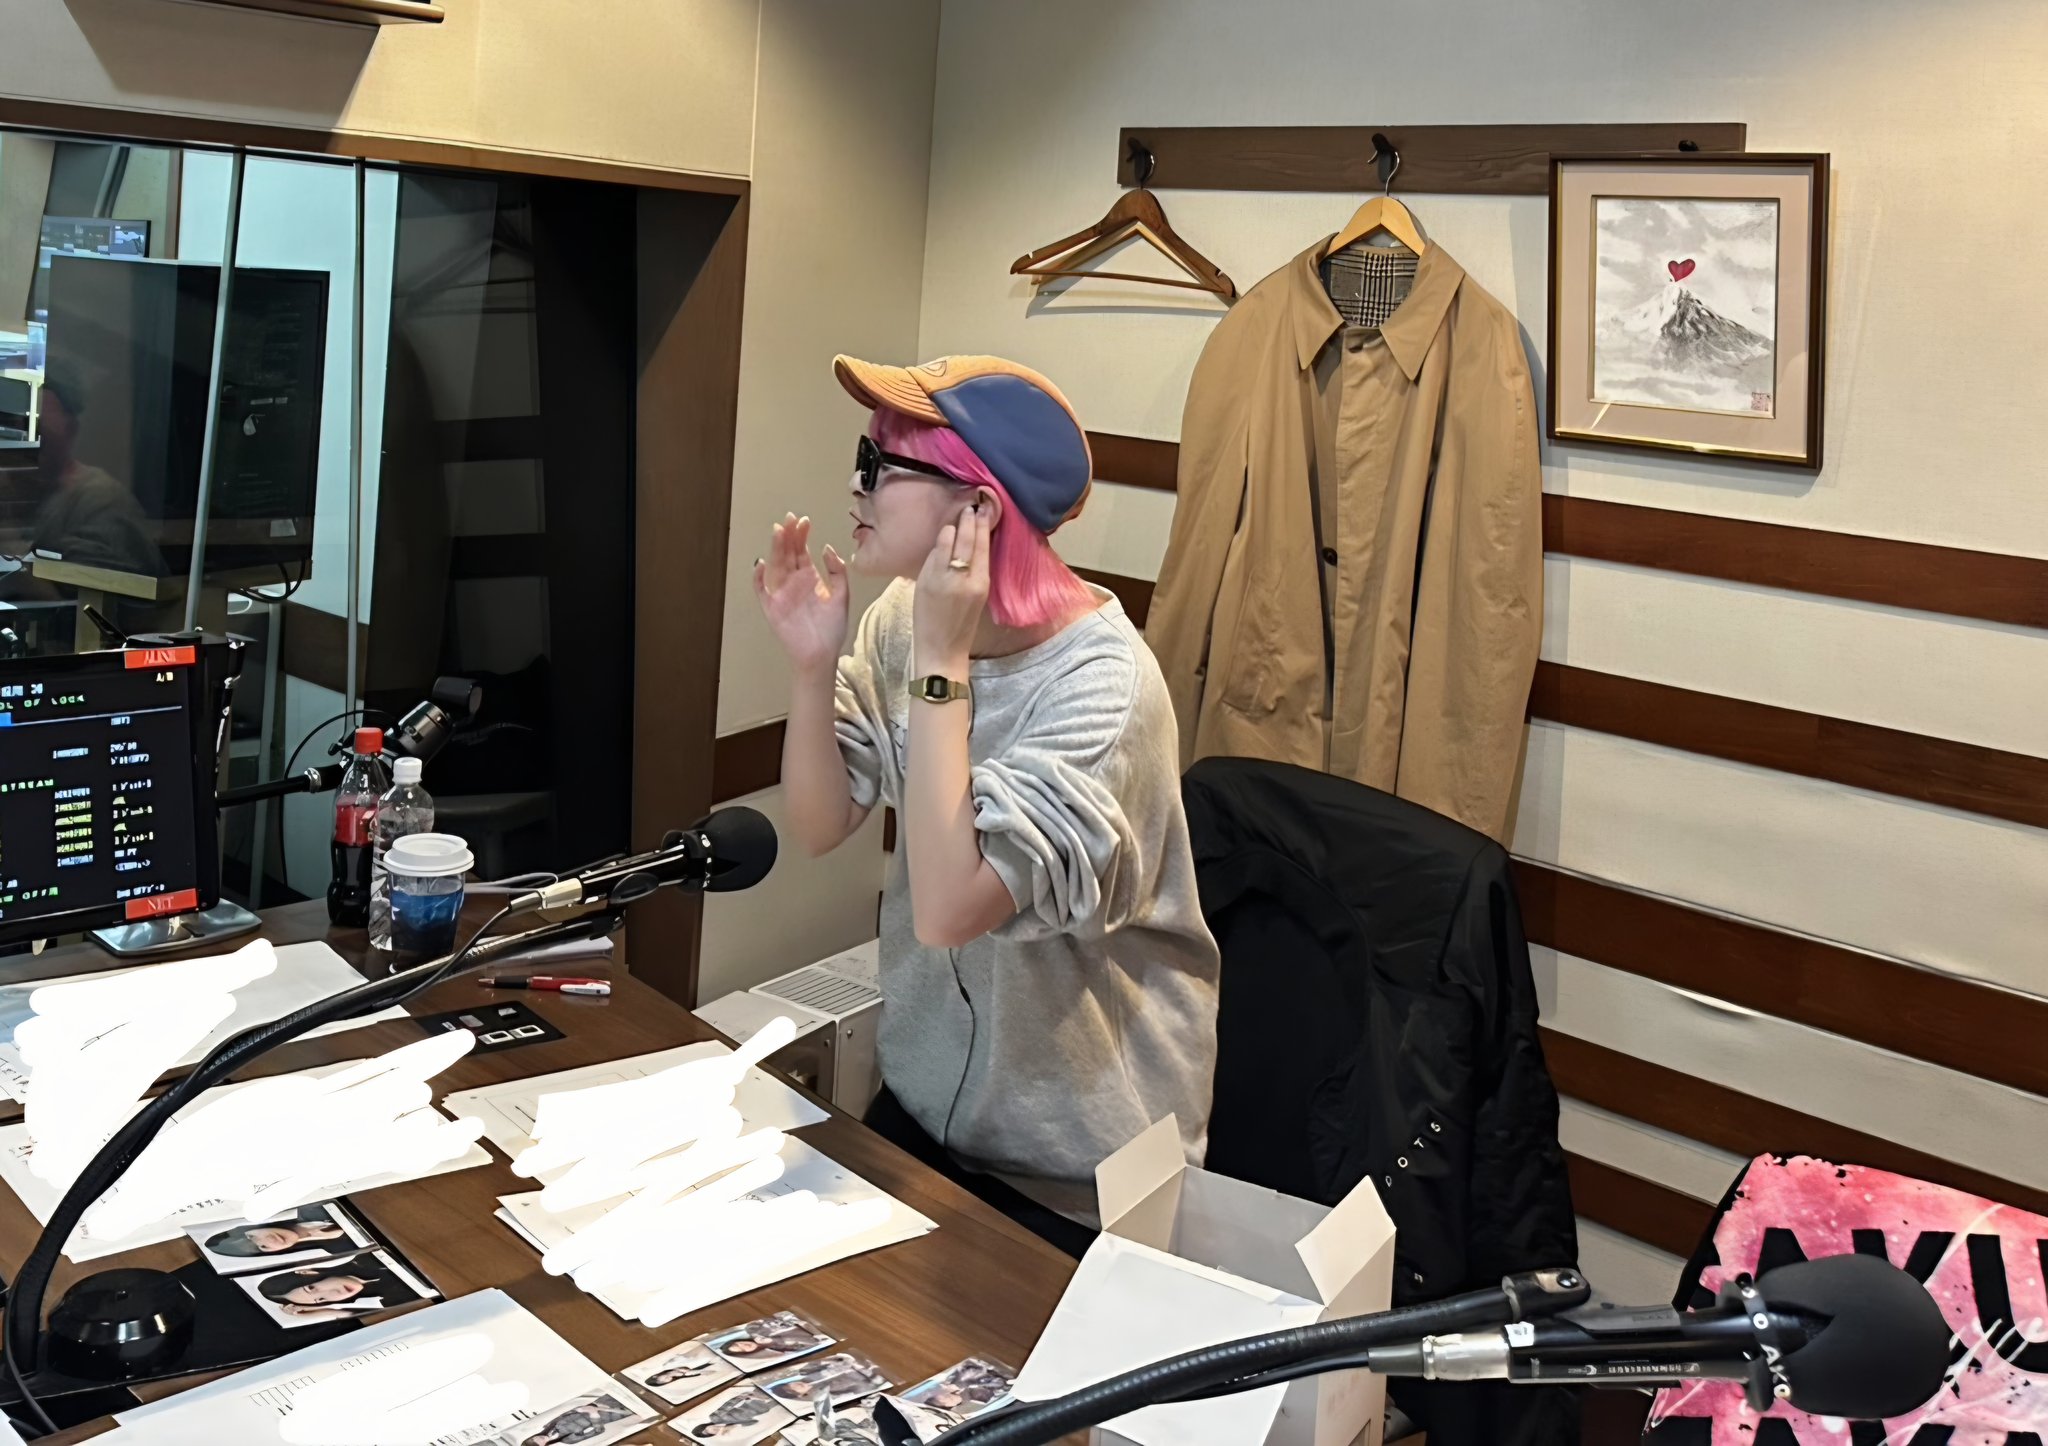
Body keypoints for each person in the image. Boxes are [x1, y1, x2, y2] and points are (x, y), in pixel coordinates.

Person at [755, 355, 1219, 1255]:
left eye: (880, 464)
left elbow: (949, 911)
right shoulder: (903, 619)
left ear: (978, 508)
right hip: (925, 1112)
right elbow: (818, 825)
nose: (856, 485)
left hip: (1077, 1175)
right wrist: (814, 667)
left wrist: (942, 664)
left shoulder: (1105, 690)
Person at [23, 369, 162, 579]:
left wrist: (19, 573)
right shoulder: (27, 491)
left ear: (70, 429)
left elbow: (93, 590)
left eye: (39, 433)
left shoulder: (101, 498)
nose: (25, 447)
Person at [255, 1251, 413, 1318]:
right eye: (321, 1299)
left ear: (307, 1273)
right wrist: (321, 1311)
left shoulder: (366, 1256)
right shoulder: (394, 1297)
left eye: (312, 1288)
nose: (335, 1294)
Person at [205, 1204, 353, 1260]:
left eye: (250, 1236)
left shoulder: (309, 1207)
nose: (268, 1240)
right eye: (261, 1247)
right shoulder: (336, 1251)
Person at [519, 1394, 636, 1446]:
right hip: (612, 1413)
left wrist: (583, 1408)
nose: (537, 1439)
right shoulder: (568, 1440)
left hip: (603, 1401)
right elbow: (598, 1430)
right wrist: (593, 1412)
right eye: (537, 1444)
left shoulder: (549, 1425)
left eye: (533, 1438)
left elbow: (569, 1412)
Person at [688, 1390, 781, 1440]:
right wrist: (733, 1426)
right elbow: (754, 1421)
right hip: (765, 1408)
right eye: (709, 1433)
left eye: (706, 1430)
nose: (712, 1431)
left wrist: (745, 1396)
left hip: (754, 1399)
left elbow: (728, 1405)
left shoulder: (715, 1418)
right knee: (784, 1396)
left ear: (705, 1426)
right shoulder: (731, 1427)